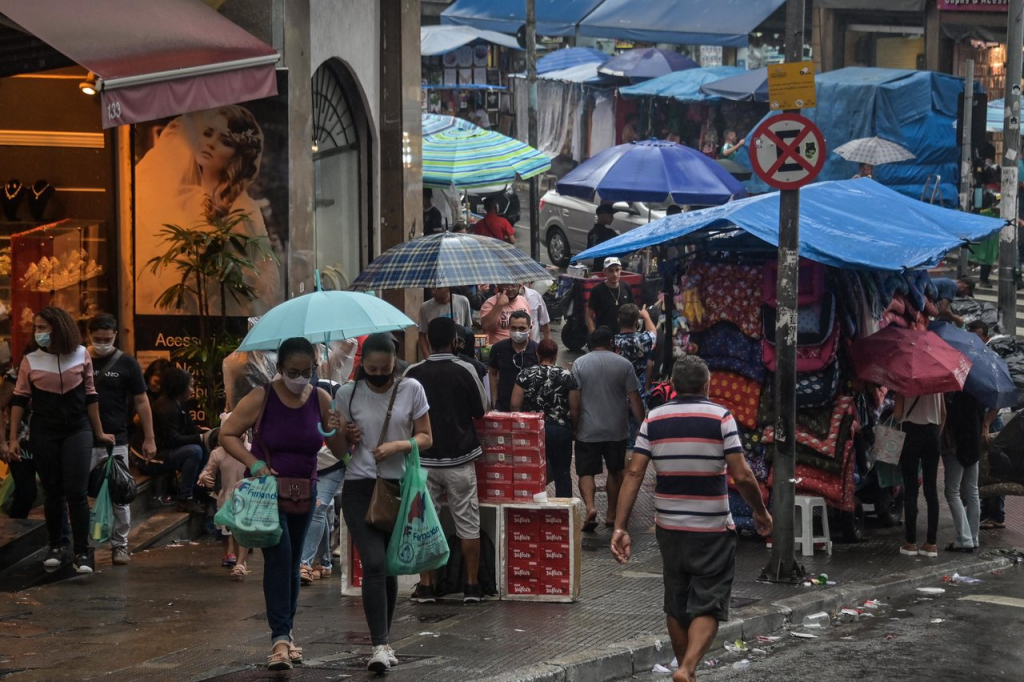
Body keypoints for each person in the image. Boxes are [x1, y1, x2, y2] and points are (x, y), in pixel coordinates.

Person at [611, 356, 772, 682]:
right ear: (707, 384)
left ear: (672, 385)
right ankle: (687, 668)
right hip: (712, 528)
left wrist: (620, 526)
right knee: (709, 603)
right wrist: (759, 510)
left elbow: (634, 472)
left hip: (669, 528)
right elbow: (742, 475)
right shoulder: (721, 417)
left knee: (676, 602)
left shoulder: (653, 419)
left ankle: (685, 670)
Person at [220, 337, 346, 670]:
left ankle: (286, 635)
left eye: (307, 371)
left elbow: (340, 449)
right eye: (293, 372)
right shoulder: (261, 397)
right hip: (267, 493)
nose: (300, 378)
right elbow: (227, 434)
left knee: (292, 565)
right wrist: (255, 463)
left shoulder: (321, 398)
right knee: (280, 559)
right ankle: (280, 639)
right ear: (279, 368)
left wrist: (338, 429)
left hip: (305, 492)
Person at [337, 333, 432, 673]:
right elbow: (339, 450)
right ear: (362, 364)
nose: (379, 375)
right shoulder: (347, 394)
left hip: (398, 487)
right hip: (359, 487)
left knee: (388, 565)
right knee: (374, 562)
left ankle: (386, 641)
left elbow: (426, 436)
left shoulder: (411, 388)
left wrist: (399, 446)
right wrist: (342, 435)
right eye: (372, 369)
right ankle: (378, 645)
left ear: (395, 363)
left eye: (385, 369)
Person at [135, 106, 280, 316]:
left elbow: (267, 274)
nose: (210, 143)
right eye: (207, 133)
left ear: (237, 155)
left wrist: (237, 274)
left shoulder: (244, 209)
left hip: (226, 313)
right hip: (177, 311)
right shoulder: (179, 197)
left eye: (225, 141)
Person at [8, 306, 114, 575]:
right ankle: (56, 545)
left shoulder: (81, 354)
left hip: (77, 429)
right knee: (53, 490)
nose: (38, 332)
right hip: (44, 430)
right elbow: (18, 400)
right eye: (36, 328)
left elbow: (91, 395)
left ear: (59, 328)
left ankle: (82, 551)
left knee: (76, 491)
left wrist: (99, 432)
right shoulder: (30, 360)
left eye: (43, 327)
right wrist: (12, 439)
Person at [405, 317, 488, 604]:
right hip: (460, 461)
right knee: (468, 524)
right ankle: (472, 586)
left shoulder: (413, 373)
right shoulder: (466, 369)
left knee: (424, 524)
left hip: (424, 464)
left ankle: (427, 587)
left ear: (427, 341)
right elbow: (482, 410)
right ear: (455, 341)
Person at [86, 314, 157, 565]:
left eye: (107, 339)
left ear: (115, 335)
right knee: (80, 494)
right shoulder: (79, 360)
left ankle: (120, 545)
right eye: (97, 339)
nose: (102, 343)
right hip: (82, 438)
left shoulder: (127, 363)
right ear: (89, 335)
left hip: (116, 439)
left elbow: (142, 401)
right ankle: (83, 546)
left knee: (120, 492)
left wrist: (149, 438)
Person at [570, 327, 645, 532]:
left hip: (588, 428)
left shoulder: (579, 364)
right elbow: (634, 398)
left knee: (586, 472)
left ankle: (590, 507)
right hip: (616, 429)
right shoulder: (624, 364)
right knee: (615, 471)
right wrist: (642, 424)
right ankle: (611, 514)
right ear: (611, 342)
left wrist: (575, 426)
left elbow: (574, 400)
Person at [510, 339, 578, 498]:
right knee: (562, 473)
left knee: (531, 470)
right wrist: (575, 429)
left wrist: (519, 428)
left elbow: (514, 405)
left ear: (537, 354)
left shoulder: (525, 374)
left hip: (533, 430)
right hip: (560, 430)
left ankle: (532, 503)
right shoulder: (567, 375)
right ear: (555, 355)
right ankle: (563, 508)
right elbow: (575, 408)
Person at [140, 367, 212, 514]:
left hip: (165, 452)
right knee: (194, 451)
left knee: (203, 446)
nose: (192, 391)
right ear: (180, 387)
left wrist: (208, 434)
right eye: (190, 386)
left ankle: (198, 491)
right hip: (152, 459)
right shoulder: (167, 408)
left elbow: (190, 428)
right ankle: (185, 498)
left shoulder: (178, 403)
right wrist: (200, 438)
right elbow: (172, 440)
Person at [298, 379, 347, 585]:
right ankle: (324, 562)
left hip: (333, 464)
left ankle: (304, 563)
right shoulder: (301, 400)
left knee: (318, 508)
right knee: (322, 511)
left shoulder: (334, 397)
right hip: (310, 464)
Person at [197, 421, 251, 581]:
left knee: (242, 529)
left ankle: (240, 563)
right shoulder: (218, 454)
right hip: (226, 496)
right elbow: (208, 471)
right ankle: (232, 554)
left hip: (247, 496)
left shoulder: (251, 450)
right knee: (228, 529)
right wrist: (204, 477)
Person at [895, 392, 945, 558]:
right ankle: (931, 543)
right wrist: (936, 435)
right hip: (932, 433)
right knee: (931, 491)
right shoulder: (938, 384)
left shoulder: (905, 383)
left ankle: (910, 542)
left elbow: (897, 414)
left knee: (911, 489)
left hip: (911, 433)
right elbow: (943, 414)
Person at [943, 390, 983, 553]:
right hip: (974, 445)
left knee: (952, 492)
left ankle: (965, 539)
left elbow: (950, 421)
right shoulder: (977, 392)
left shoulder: (953, 396)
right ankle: (973, 536)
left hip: (956, 447)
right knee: (973, 491)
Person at [488, 311, 539, 412]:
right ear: (508, 327)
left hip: (530, 408)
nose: (517, 332)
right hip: (503, 406)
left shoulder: (537, 350)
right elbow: (492, 374)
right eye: (514, 328)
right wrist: (494, 400)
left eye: (522, 328)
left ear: (530, 328)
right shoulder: (498, 349)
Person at [418, 287, 472, 358]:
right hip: (436, 355)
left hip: (458, 353)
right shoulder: (425, 308)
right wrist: (428, 357)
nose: (434, 292)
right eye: (432, 288)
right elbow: (422, 335)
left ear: (448, 288)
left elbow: (468, 327)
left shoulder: (463, 301)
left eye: (439, 288)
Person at [587, 257, 635, 334]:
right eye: (611, 271)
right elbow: (589, 315)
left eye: (617, 270)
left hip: (623, 334)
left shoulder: (626, 287)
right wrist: (594, 335)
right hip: (604, 335)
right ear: (604, 272)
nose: (615, 274)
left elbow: (633, 311)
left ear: (621, 270)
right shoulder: (597, 290)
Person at [587, 205, 620, 271]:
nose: (612, 218)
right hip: (608, 269)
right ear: (602, 215)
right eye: (610, 215)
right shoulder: (609, 233)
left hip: (595, 268)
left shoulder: (591, 232)